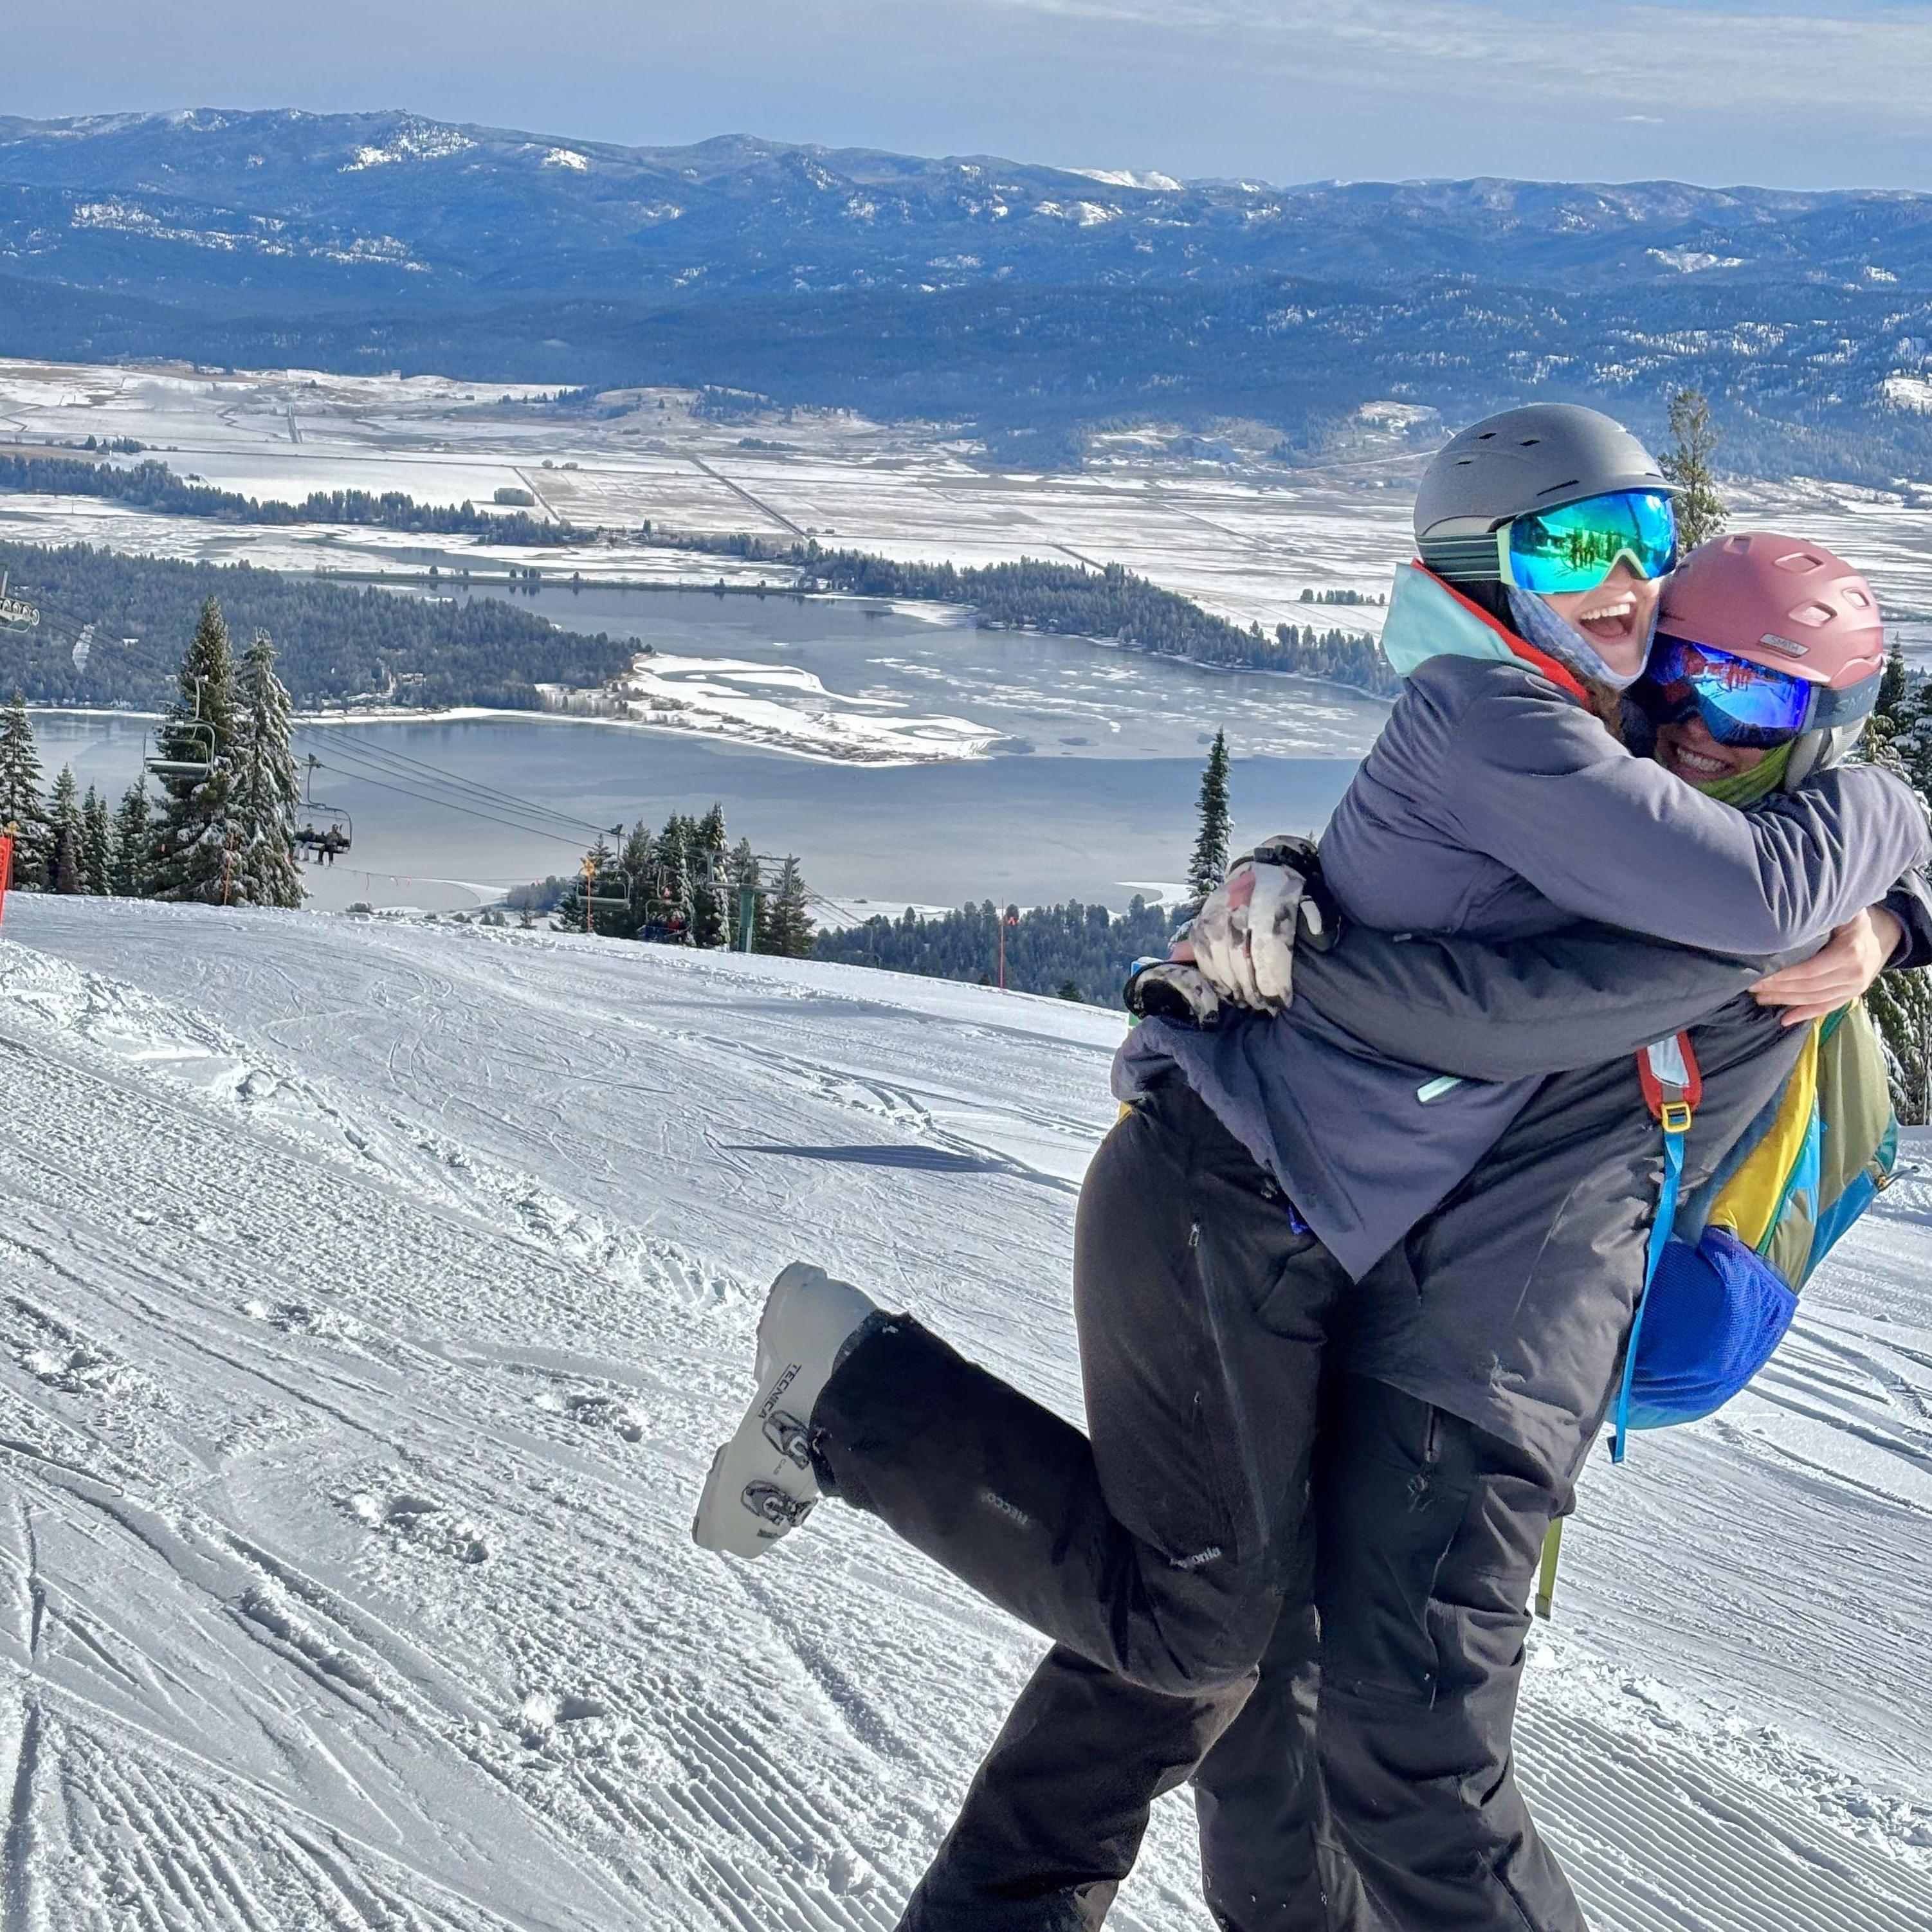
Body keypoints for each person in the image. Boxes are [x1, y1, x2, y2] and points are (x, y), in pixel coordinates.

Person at [692, 408, 1929, 1928]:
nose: (1685, 702)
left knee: (1224, 1661)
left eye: (1645, 561)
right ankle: (862, 1400)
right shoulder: (1574, 746)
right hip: (1263, 1218)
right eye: (1679, 659)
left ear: (1823, 726)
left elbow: (1505, 1000)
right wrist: (1288, 886)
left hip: (1450, 1325)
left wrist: (1882, 876)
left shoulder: (1775, 896)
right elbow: (1475, 864)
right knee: (1202, 1634)